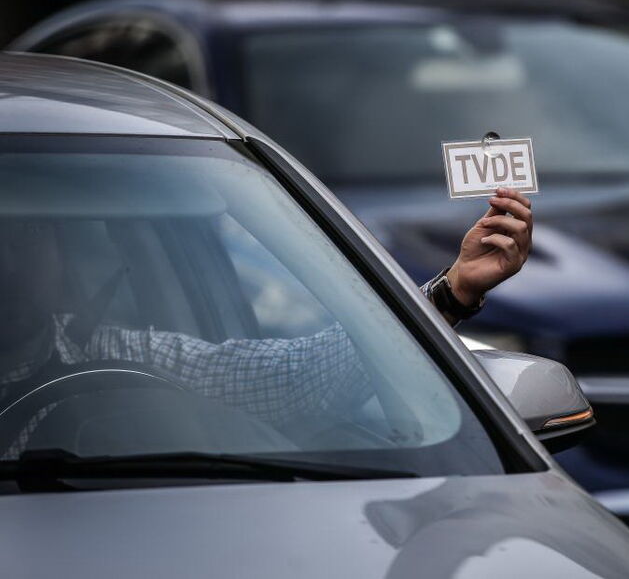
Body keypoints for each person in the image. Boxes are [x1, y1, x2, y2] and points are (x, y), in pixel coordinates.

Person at [0, 187, 533, 457]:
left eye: (28, 237)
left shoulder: (118, 355)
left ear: (61, 257)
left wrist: (454, 290)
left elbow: (297, 378)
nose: (10, 263)